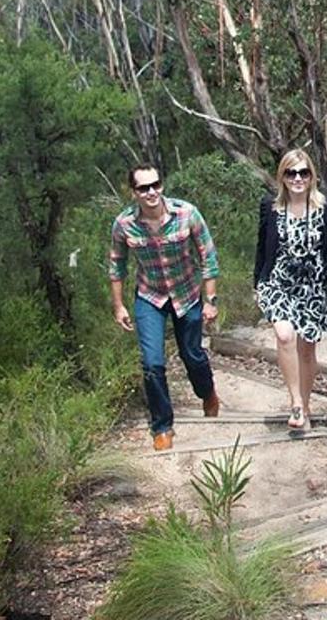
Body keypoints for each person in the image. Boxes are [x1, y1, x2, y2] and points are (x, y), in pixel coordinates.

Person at [109, 163, 221, 451]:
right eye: (144, 188)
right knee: (152, 363)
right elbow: (116, 265)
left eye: (155, 185)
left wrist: (210, 300)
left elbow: (207, 255)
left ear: (162, 185)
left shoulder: (186, 213)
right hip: (150, 296)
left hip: (186, 293)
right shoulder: (124, 224)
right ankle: (162, 426)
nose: (151, 192)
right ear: (133, 192)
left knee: (192, 355)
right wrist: (119, 306)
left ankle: (207, 393)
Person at [254, 149, 327, 431]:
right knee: (284, 336)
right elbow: (262, 248)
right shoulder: (270, 208)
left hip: (314, 288)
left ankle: (305, 407)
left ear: (312, 176)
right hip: (279, 283)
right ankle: (295, 402)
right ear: (282, 177)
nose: (297, 178)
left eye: (303, 172)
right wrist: (257, 284)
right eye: (291, 173)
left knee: (307, 350)